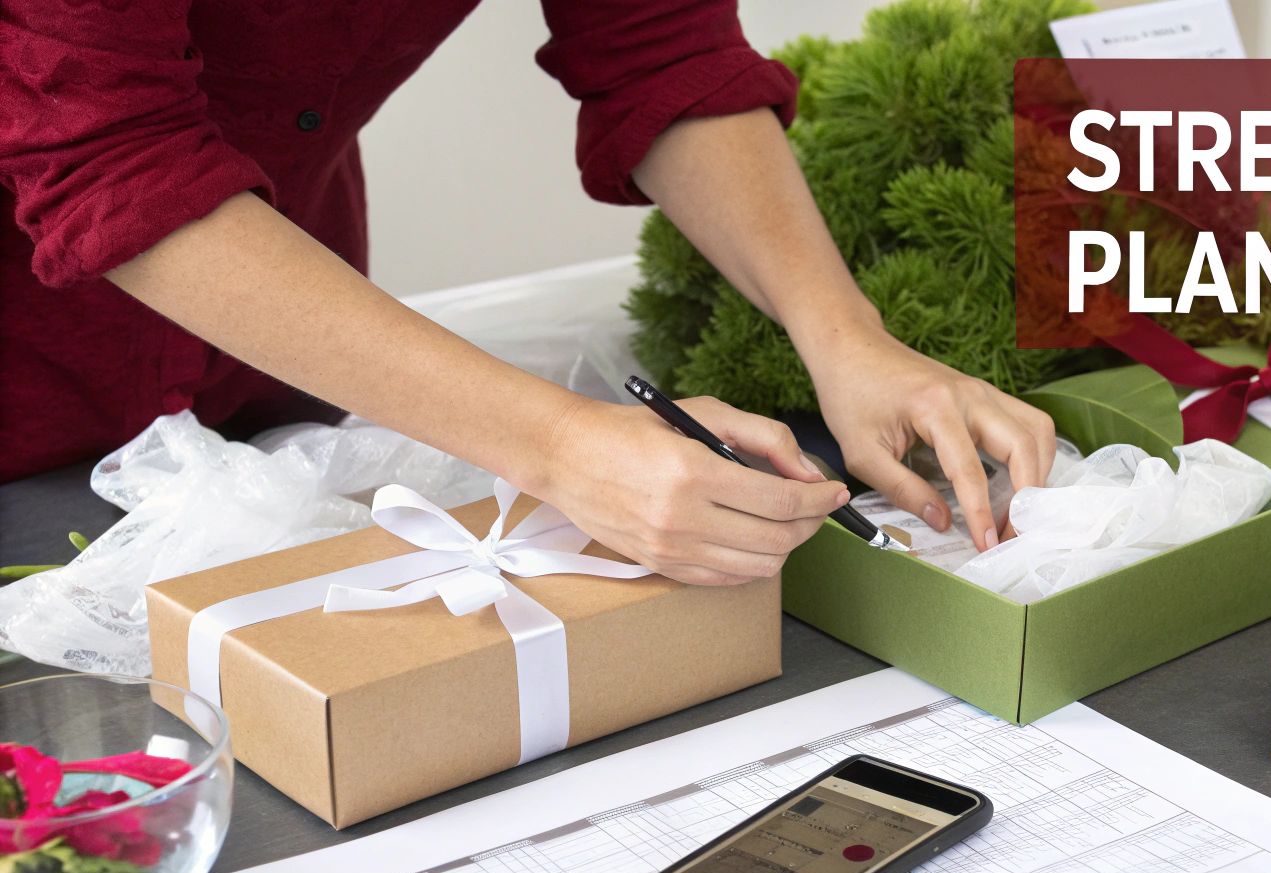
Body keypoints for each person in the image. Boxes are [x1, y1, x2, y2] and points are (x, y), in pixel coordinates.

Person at [0, 1, 1055, 585]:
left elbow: (661, 49)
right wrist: (557, 442)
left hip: (271, 345)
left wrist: (844, 335)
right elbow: (111, 156)